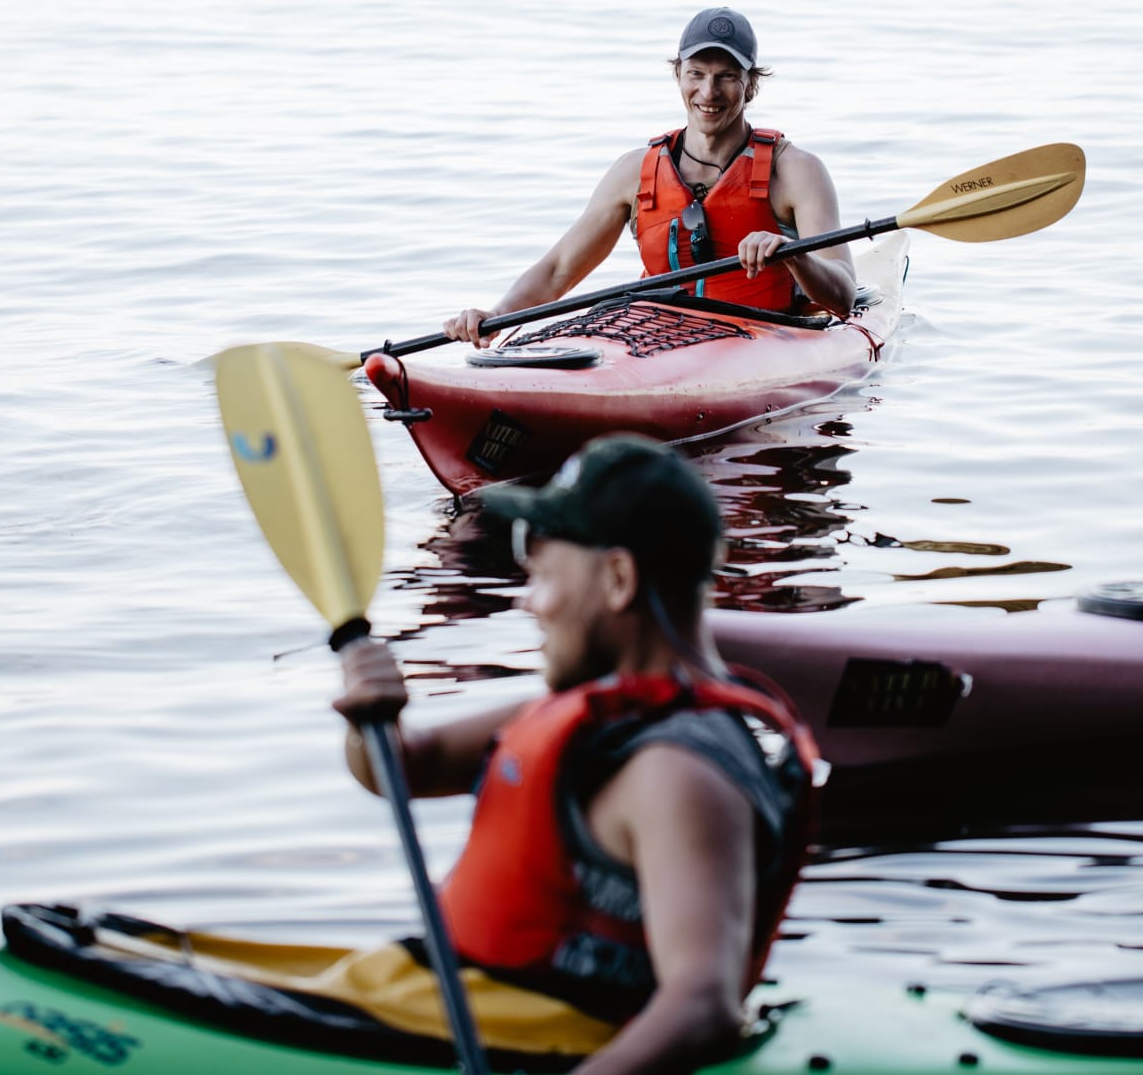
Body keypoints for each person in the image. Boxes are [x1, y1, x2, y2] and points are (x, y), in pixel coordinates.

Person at [334, 435, 816, 1074]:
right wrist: (372, 714)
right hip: (449, 1014)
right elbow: (399, 767)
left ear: (617, 580)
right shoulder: (602, 714)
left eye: (542, 575)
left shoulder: (679, 770)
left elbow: (703, 1005)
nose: (528, 602)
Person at [445, 8, 856, 347]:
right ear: (678, 75)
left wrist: (793, 254)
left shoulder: (797, 171)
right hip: (655, 341)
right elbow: (558, 271)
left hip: (761, 341)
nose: (708, 92)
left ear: (751, 86)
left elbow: (842, 296)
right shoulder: (634, 171)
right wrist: (497, 315)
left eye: (727, 76)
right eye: (696, 73)